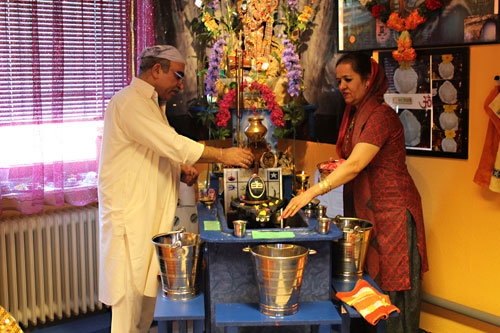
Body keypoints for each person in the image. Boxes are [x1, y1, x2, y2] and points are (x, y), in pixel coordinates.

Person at [98, 45, 254, 333]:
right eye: (178, 76)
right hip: (129, 218)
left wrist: (179, 168)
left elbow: (155, 145)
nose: (181, 85)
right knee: (127, 305)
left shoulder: (151, 104)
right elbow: (171, 143)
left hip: (147, 216)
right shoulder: (129, 101)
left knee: (144, 303)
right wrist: (222, 155)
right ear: (157, 70)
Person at [281, 52, 428, 333]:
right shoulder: (358, 114)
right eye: (339, 81)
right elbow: (352, 161)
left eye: (348, 79)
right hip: (370, 211)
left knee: (394, 289)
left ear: (368, 79)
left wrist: (312, 192)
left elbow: (357, 164)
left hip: (393, 214)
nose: (342, 86)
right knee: (370, 287)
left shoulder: (380, 115)